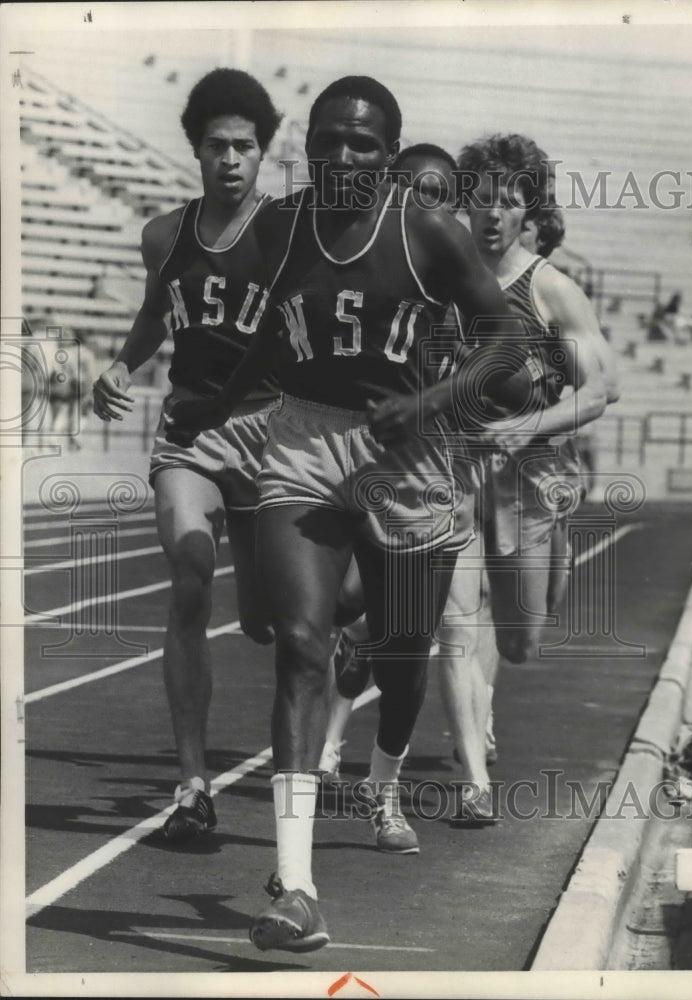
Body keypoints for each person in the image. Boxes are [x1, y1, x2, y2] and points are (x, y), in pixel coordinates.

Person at [167, 76, 524, 953]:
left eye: (365, 142)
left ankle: (384, 776)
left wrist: (434, 398)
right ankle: (297, 887)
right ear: (308, 145)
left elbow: (511, 347)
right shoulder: (284, 225)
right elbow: (262, 327)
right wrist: (220, 401)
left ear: (391, 151)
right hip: (300, 441)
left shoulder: (426, 229)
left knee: (400, 663)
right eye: (328, 138)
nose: (343, 156)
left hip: (408, 453)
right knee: (297, 643)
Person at [92, 69, 283, 844]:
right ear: (196, 151)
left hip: (274, 434)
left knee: (290, 620)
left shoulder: (286, 232)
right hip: (190, 438)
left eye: (245, 146)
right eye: (217, 146)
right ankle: (192, 784)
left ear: (263, 153)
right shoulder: (165, 236)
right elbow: (152, 316)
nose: (231, 159)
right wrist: (119, 364)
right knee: (191, 576)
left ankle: (316, 619)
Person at [453, 133, 620, 770]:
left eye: (507, 200)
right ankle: (472, 731)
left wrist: (531, 426)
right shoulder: (444, 279)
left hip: (531, 471)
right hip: (457, 467)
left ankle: (554, 553)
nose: (492, 213)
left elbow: (603, 388)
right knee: (460, 613)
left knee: (520, 637)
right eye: (481, 198)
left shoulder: (551, 289)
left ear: (529, 210)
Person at [315, 141, 460, 785]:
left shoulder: (469, 289)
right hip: (347, 465)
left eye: (436, 197)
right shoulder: (361, 272)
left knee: (407, 651)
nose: (419, 207)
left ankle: (383, 786)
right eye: (408, 192)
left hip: (427, 485)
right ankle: (321, 749)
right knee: (323, 603)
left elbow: (512, 372)